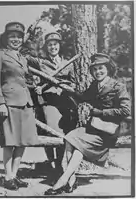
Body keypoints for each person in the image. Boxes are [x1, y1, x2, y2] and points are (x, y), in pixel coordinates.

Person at [45, 53, 131, 195]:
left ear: (108, 69)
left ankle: (62, 181)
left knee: (78, 148)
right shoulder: (94, 85)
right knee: (69, 138)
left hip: (107, 132)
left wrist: (100, 112)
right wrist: (65, 86)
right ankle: (71, 181)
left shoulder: (118, 86)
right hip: (93, 128)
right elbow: (82, 96)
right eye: (95, 69)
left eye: (101, 68)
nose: (98, 72)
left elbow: (125, 110)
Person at [0, 22, 39, 190]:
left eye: (19, 37)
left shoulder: (22, 58)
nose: (16, 39)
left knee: (22, 142)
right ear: (6, 38)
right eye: (12, 36)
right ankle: (7, 176)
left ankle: (15, 175)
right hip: (9, 102)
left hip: (26, 103)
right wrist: (0, 103)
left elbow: (22, 82)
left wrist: (34, 86)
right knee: (10, 141)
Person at [34, 32, 78, 175]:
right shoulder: (41, 62)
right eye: (50, 45)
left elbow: (73, 82)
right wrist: (38, 87)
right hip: (49, 102)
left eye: (55, 44)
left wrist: (67, 85)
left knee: (65, 132)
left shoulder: (68, 63)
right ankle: (53, 163)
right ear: (46, 47)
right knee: (53, 131)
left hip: (65, 102)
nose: (53, 47)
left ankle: (59, 164)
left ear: (60, 46)